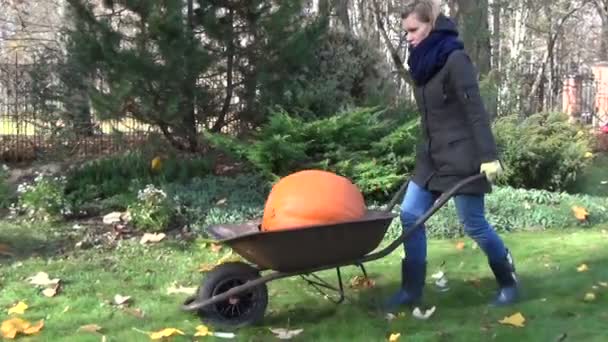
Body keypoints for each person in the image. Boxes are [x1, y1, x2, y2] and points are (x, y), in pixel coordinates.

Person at [385, 0, 519, 311]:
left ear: (431, 23)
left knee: (473, 224)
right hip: (431, 157)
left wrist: (488, 155)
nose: (408, 37)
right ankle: (411, 291)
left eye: (413, 29)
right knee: (410, 216)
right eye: (405, 31)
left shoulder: (455, 59)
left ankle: (508, 281)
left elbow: (475, 111)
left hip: (463, 156)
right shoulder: (421, 62)